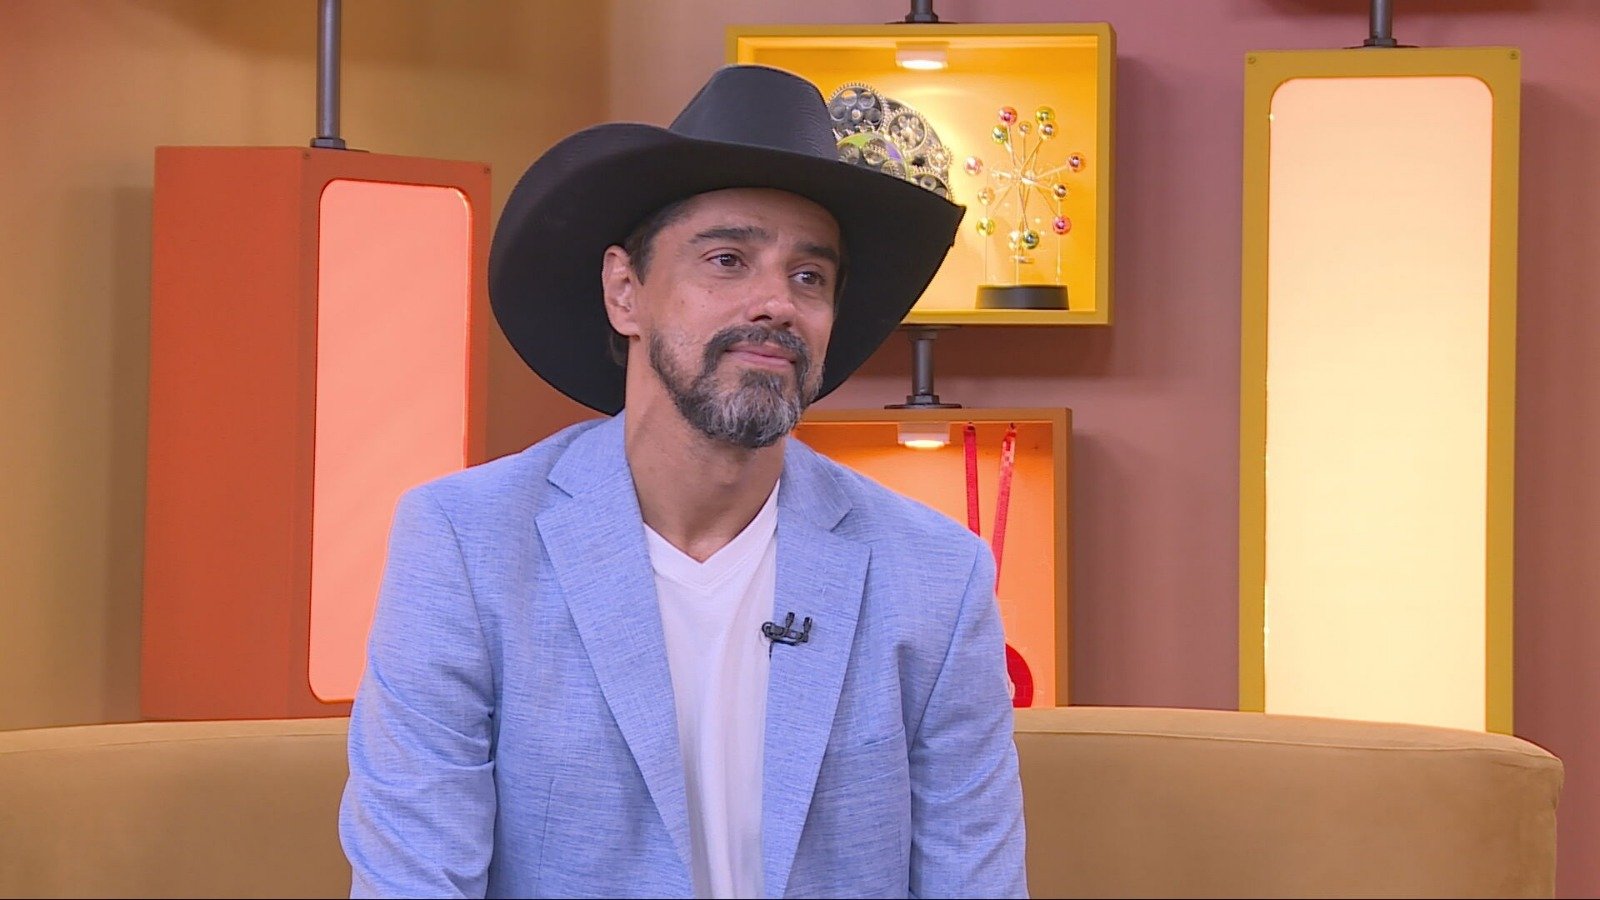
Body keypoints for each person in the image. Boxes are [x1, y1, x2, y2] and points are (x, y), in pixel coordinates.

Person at [338, 64, 1027, 899]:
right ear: (625, 292)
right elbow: (414, 880)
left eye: (809, 277)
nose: (776, 303)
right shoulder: (467, 544)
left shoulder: (937, 578)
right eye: (728, 260)